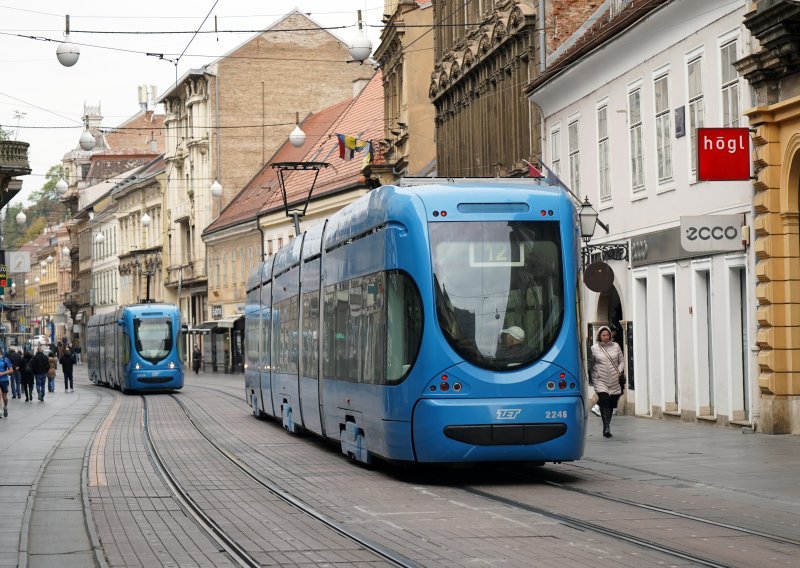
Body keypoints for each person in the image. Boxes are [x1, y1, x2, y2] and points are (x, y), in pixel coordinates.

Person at [590, 326, 624, 438]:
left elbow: (622, 361)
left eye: (607, 335)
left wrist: (619, 371)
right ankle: (606, 427)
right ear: (599, 336)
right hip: (601, 380)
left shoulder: (616, 346)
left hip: (614, 380)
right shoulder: (594, 348)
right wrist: (595, 377)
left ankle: (607, 424)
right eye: (603, 335)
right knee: (604, 401)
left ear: (610, 335)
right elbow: (592, 365)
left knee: (611, 404)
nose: (605, 337)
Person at [0, 350, 13, 418]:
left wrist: (2, 373)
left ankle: (5, 407)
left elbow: (11, 370)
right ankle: (0, 411)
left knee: (4, 397)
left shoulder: (5, 359)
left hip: (4, 380)